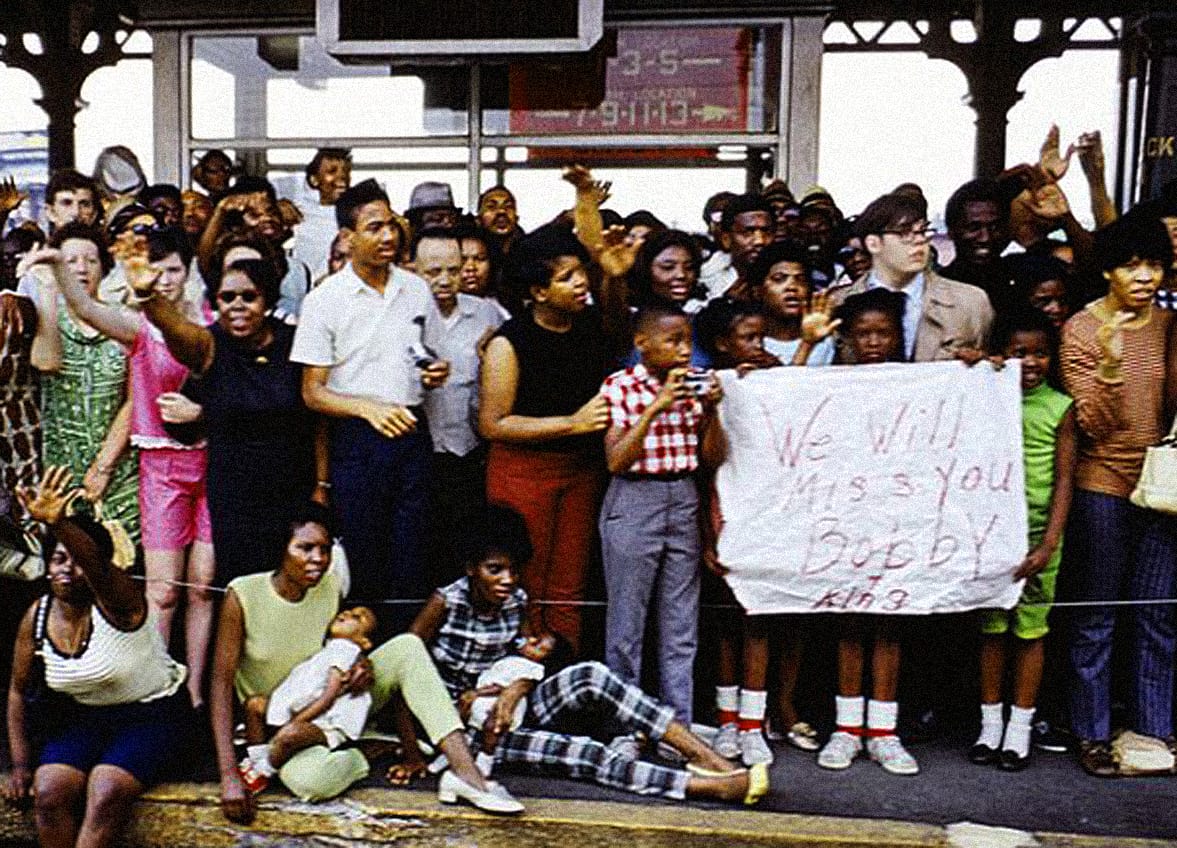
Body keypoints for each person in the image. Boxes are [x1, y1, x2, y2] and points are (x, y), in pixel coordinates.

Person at [400, 505, 769, 805]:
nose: (507, 580)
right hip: (467, 730)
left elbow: (528, 662)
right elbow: (406, 671)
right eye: (494, 570)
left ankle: (707, 759)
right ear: (470, 569)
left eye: (514, 569)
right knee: (585, 754)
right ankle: (708, 787)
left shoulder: (517, 601)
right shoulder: (445, 602)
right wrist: (413, 752)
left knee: (593, 674)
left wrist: (514, 690)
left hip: (515, 703)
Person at [209, 504, 522, 820]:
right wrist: (229, 775)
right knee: (311, 781)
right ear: (282, 549)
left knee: (408, 646)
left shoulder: (329, 585)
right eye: (305, 548)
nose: (318, 559)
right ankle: (368, 749)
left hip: (333, 705)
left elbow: (342, 646)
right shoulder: (244, 593)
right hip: (278, 723)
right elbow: (221, 684)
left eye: (325, 548)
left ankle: (466, 773)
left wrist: (362, 665)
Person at [36, 227, 215, 708]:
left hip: (211, 464)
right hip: (159, 465)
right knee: (163, 592)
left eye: (174, 268)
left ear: (188, 272)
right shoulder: (140, 326)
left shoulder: (210, 325)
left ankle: (196, 691)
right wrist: (58, 268)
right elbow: (87, 309)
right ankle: (154, 687)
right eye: (155, 270)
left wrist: (204, 413)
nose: (165, 279)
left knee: (202, 587)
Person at [4, 466, 192, 848]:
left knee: (106, 789)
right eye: (58, 559)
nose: (67, 570)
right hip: (87, 718)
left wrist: (60, 525)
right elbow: (17, 693)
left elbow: (98, 570)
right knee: (50, 789)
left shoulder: (121, 603)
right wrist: (21, 765)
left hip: (153, 714)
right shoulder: (37, 616)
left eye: (76, 560)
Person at [293, 179, 449, 618]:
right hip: (357, 442)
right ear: (346, 237)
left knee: (414, 556)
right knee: (365, 558)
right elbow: (312, 392)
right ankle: (362, 663)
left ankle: (407, 659)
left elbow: (423, 353)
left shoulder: (415, 288)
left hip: (412, 432)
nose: (388, 237)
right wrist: (367, 407)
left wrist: (434, 371)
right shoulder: (325, 299)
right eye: (374, 227)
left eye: (391, 226)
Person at [1060, 213, 1177, 777]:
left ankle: (1153, 731)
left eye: (1153, 264)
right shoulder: (1082, 330)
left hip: (1162, 490)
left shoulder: (1169, 324)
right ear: (1107, 270)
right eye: (1132, 265)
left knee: (1157, 614)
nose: (1145, 275)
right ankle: (1092, 732)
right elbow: (1094, 426)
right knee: (1097, 614)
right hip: (1102, 485)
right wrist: (1108, 363)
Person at [479, 221, 631, 654]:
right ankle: (516, 675)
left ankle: (564, 670)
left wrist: (615, 277)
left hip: (581, 471)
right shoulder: (508, 343)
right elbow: (493, 423)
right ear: (538, 292)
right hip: (523, 472)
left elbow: (620, 334)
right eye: (566, 277)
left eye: (581, 271)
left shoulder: (587, 324)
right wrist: (572, 423)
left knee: (570, 582)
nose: (581, 281)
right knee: (523, 577)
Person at [134, 252, 317, 584]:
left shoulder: (294, 342)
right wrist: (149, 298)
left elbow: (307, 418)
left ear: (267, 299)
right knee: (244, 585)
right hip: (235, 492)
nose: (237, 305)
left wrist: (206, 413)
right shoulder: (210, 344)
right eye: (227, 297)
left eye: (249, 297)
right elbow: (175, 329)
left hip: (292, 486)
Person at [599, 304, 723, 730]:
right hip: (635, 496)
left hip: (683, 492)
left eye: (688, 340)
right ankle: (624, 728)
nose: (684, 350)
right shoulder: (620, 387)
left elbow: (712, 457)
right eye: (673, 341)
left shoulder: (696, 387)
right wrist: (656, 407)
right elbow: (616, 459)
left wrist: (711, 412)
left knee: (680, 623)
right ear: (642, 344)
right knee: (626, 624)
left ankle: (678, 726)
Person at [816, 288, 920, 776]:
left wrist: (978, 370)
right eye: (863, 333)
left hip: (898, 518)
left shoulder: (922, 381)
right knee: (850, 622)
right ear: (848, 339)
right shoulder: (832, 384)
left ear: (900, 335)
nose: (874, 341)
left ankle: (883, 731)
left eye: (884, 332)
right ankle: (845, 727)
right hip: (846, 518)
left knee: (890, 621)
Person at [970, 309, 1076, 772]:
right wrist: (980, 366)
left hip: (1037, 537)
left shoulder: (1060, 407)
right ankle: (989, 726)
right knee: (992, 630)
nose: (1030, 362)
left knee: (1030, 631)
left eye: (1040, 353)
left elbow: (1065, 481)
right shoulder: (987, 398)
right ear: (1003, 354)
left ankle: (1020, 730)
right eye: (1019, 353)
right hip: (992, 536)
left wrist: (1048, 543)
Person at [25, 224, 140, 543]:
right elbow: (47, 362)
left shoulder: (123, 320)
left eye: (91, 260)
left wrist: (104, 465)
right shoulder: (45, 316)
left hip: (118, 467)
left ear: (104, 267)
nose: (80, 268)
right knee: (70, 564)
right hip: (61, 469)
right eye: (70, 260)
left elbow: (135, 399)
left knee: (123, 561)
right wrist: (48, 295)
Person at [416, 227, 504, 586]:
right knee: (423, 551)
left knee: (466, 548)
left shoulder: (487, 314)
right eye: (433, 272)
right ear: (413, 270)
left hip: (471, 454)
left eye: (453, 270)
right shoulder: (404, 315)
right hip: (422, 452)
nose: (445, 280)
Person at [828, 192, 994, 363]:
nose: (919, 241)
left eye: (923, 231)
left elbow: (987, 372)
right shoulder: (836, 304)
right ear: (873, 243)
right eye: (904, 233)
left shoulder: (970, 302)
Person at [236, 606, 378, 793]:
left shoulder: (346, 651)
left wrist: (294, 722)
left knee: (291, 734)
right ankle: (255, 761)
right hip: (302, 714)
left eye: (358, 617)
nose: (347, 614)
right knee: (254, 704)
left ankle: (264, 771)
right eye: (348, 611)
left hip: (323, 724)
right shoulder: (329, 649)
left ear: (364, 642)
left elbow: (328, 697)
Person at [750, 240, 837, 366]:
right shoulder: (749, 344)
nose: (792, 286)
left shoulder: (828, 341)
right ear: (757, 291)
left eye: (800, 279)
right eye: (779, 279)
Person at [293, 148, 351, 279]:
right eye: (332, 171)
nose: (342, 177)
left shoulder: (358, 213)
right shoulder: (298, 212)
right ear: (314, 180)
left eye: (346, 172)